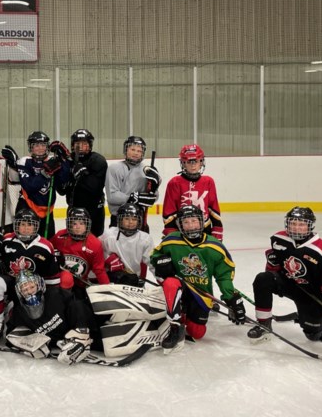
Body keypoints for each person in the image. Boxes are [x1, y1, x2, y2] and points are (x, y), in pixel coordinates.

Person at [247, 207, 322, 343]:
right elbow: (272, 271)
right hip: (288, 284)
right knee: (263, 279)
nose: (296, 228)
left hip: (311, 294)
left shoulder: (320, 249)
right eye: (293, 223)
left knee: (314, 336)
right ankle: (264, 325)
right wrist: (272, 264)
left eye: (301, 224)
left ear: (310, 226)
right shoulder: (278, 238)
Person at [150, 204, 244, 354]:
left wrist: (230, 297)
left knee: (197, 333)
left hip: (201, 294)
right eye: (186, 222)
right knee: (170, 282)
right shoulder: (170, 241)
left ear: (201, 222)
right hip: (179, 287)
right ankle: (175, 326)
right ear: (180, 225)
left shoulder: (214, 246)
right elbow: (154, 256)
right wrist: (161, 262)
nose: (191, 226)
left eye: (194, 221)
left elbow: (224, 275)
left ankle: (183, 315)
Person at [0, 208, 63, 341]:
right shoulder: (6, 240)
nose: (26, 228)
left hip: (31, 288)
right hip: (11, 281)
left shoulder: (45, 246)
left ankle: (16, 311)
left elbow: (52, 278)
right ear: (16, 225)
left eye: (29, 224)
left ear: (35, 226)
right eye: (22, 224)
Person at [1, 130, 69, 239]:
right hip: (27, 205)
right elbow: (30, 186)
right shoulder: (25, 161)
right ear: (31, 148)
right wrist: (45, 173)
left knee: (48, 242)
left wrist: (65, 159)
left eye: (43, 145)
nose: (40, 148)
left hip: (47, 209)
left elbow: (63, 184)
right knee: (23, 238)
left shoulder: (53, 160)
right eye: (36, 145)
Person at [162, 144, 223, 240]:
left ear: (202, 162)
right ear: (183, 163)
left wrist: (217, 233)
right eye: (189, 161)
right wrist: (171, 236)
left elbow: (213, 209)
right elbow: (169, 212)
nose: (193, 164)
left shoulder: (208, 182)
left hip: (205, 229)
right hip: (181, 230)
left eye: (196, 161)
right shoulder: (174, 183)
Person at [54, 129, 108, 237]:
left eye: (84, 143)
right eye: (77, 143)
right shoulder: (68, 161)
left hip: (94, 209)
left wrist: (80, 176)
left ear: (90, 145)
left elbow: (94, 188)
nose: (80, 147)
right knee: (74, 239)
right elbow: (62, 190)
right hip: (74, 208)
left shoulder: (98, 161)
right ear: (73, 146)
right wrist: (59, 172)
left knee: (95, 239)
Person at [104, 136, 162, 231]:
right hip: (119, 219)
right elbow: (112, 196)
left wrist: (154, 190)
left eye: (139, 151)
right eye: (133, 149)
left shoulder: (147, 171)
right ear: (126, 150)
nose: (136, 153)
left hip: (139, 219)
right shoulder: (115, 168)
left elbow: (152, 198)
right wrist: (133, 198)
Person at [49, 206, 110, 294]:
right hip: (59, 282)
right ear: (69, 224)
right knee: (66, 278)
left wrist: (107, 290)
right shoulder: (60, 236)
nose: (78, 227)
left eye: (81, 223)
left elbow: (99, 270)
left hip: (80, 284)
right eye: (74, 223)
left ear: (87, 225)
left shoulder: (94, 244)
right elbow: (47, 250)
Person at [99, 203, 156, 286]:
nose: (130, 222)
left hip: (133, 280)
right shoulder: (108, 235)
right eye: (126, 218)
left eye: (134, 219)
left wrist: (163, 279)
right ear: (120, 220)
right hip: (111, 281)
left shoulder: (145, 239)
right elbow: (96, 253)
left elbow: (152, 263)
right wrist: (108, 260)